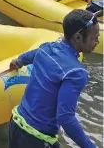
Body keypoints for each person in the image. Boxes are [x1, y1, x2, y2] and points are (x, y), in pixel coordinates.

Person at [9, 9, 99, 148]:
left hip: (16, 124)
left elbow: (31, 55)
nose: (97, 41)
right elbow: (65, 117)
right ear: (78, 37)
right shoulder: (76, 72)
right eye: (94, 37)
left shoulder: (46, 48)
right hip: (36, 139)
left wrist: (18, 61)